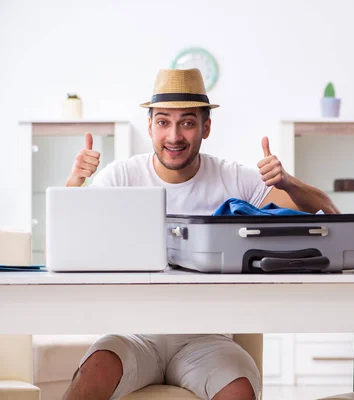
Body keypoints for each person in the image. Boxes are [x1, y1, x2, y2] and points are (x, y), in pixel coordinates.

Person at [62, 68, 339, 400]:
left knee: (239, 390)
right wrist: (74, 183)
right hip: (134, 333)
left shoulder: (234, 179)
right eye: (164, 122)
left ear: (206, 127)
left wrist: (287, 182)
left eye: (188, 123)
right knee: (94, 371)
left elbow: (326, 214)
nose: (175, 136)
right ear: (149, 126)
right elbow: (69, 242)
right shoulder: (120, 176)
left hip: (207, 338)